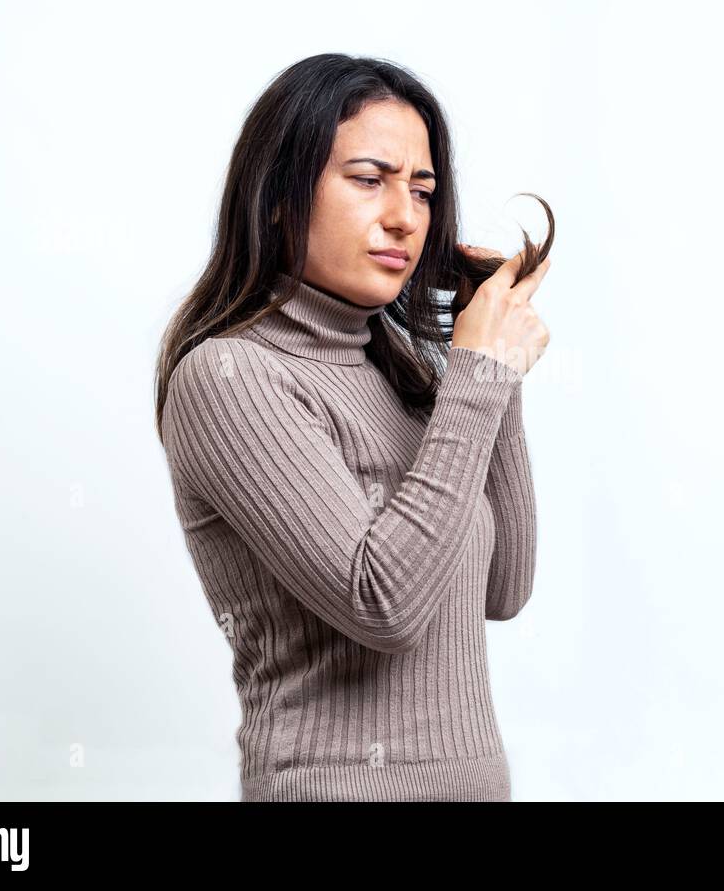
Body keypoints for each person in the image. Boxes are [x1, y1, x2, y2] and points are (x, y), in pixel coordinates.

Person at [153, 54, 551, 801]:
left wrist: (491, 361)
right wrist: (480, 372)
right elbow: (384, 604)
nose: (405, 215)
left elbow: (504, 589)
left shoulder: (413, 376)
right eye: (370, 180)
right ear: (277, 196)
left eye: (423, 190)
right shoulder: (230, 377)